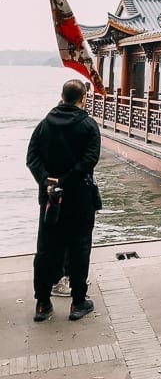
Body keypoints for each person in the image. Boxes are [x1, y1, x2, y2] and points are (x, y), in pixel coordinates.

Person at [26, 79, 101, 322]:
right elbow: (89, 161)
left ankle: (42, 302)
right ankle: (78, 302)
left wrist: (48, 182)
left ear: (61, 96)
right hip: (79, 197)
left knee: (47, 249)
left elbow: (32, 157)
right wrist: (65, 181)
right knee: (79, 248)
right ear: (83, 99)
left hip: (50, 199)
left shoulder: (45, 124)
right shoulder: (89, 126)